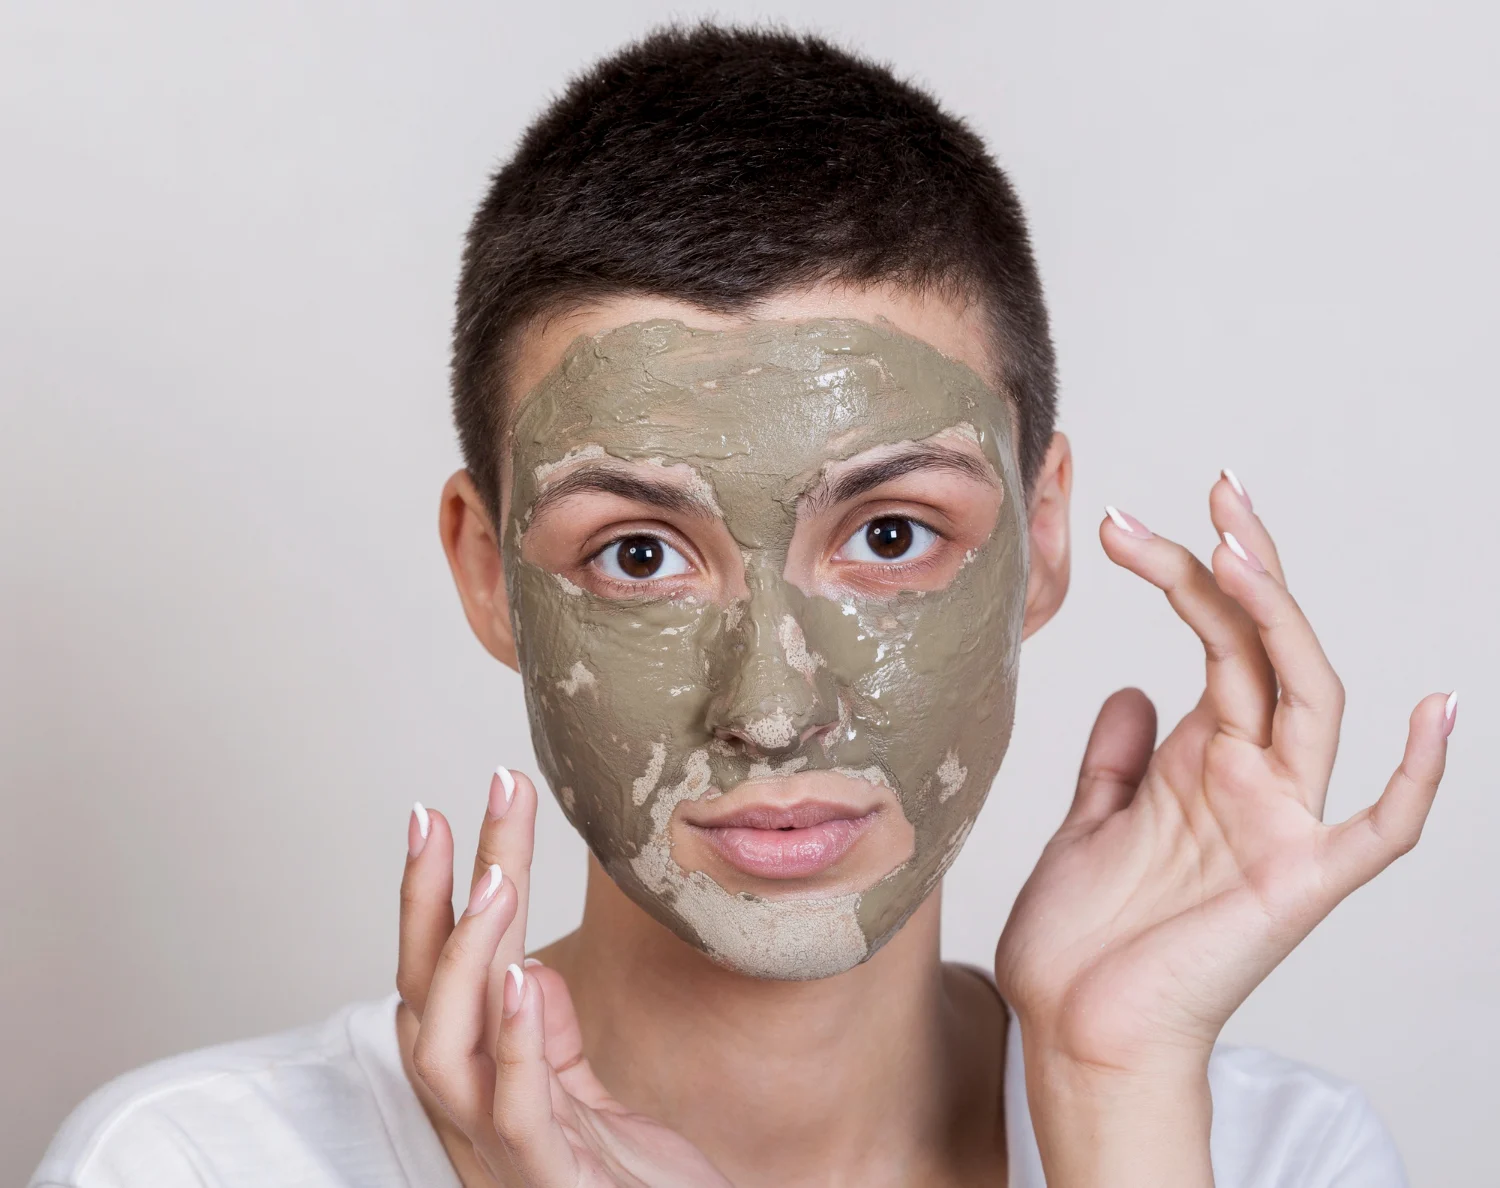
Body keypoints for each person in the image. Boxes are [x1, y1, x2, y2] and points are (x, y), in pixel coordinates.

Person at [32, 24, 1453, 1188]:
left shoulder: (1268, 1158)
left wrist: (1109, 1097)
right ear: (486, 570)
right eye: (640, 556)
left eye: (890, 536)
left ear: (1042, 538)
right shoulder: (195, 1167)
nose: (772, 712)